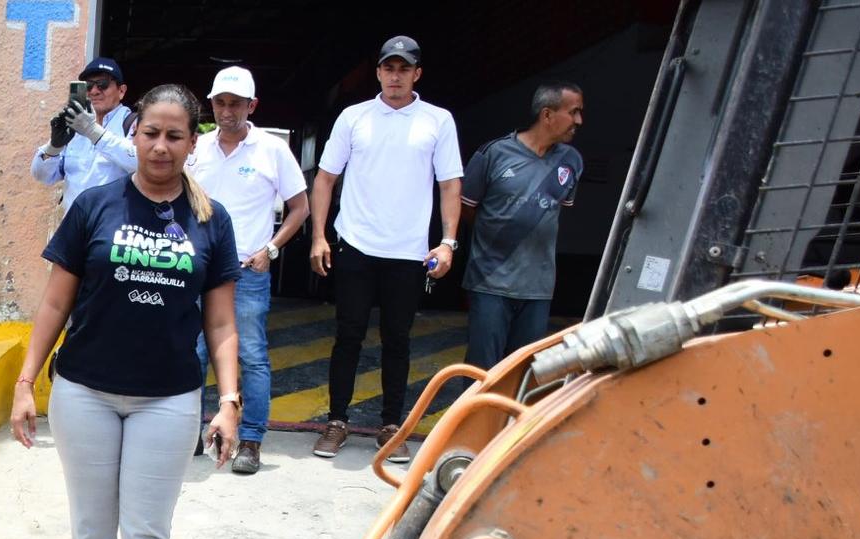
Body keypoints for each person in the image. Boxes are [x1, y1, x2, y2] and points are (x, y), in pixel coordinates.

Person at [11, 84, 242, 539]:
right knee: (92, 532)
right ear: (132, 134)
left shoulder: (212, 220)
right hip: (84, 393)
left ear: (192, 144)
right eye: (151, 133)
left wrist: (229, 401)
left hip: (167, 401)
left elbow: (222, 321)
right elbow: (53, 303)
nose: (160, 146)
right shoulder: (95, 205)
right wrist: (26, 383)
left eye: (175, 136)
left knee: (146, 535)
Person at [307, 35, 462, 464]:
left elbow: (450, 184)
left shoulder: (437, 121)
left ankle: (391, 427)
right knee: (348, 335)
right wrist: (319, 235)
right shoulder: (354, 118)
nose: (395, 76)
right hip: (356, 244)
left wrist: (447, 242)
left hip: (409, 251)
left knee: (398, 339)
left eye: (404, 69)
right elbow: (324, 178)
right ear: (378, 72)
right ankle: (336, 422)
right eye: (388, 68)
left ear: (417, 74)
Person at [189, 65, 308, 475]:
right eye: (220, 102)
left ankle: (251, 439)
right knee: (194, 351)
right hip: (198, 271)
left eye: (235, 103)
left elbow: (300, 207)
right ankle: (191, 432)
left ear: (251, 105)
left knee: (252, 356)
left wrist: (270, 250)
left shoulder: (272, 150)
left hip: (246, 270)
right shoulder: (198, 149)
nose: (227, 111)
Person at [458, 82, 584, 379]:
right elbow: (466, 207)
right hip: (490, 281)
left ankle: (514, 426)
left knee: (524, 373)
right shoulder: (493, 154)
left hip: (538, 286)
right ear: (547, 115)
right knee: (481, 371)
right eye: (574, 112)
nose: (579, 121)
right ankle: (474, 426)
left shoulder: (571, 161)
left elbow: (557, 210)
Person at [30, 57, 140, 212]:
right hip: (75, 227)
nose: (94, 91)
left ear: (121, 91)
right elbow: (42, 176)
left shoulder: (133, 123)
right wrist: (53, 147)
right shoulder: (76, 126)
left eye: (103, 84)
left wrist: (92, 132)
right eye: (88, 86)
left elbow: (142, 163)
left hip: (111, 229)